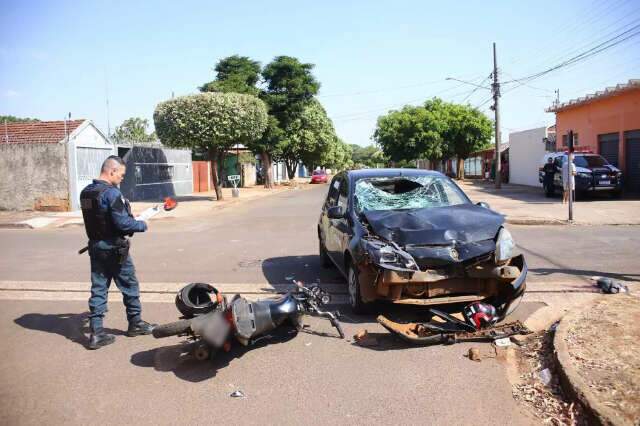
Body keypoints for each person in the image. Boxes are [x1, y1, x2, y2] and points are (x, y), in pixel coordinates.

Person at [80, 156, 155, 349]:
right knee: (129, 285)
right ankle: (135, 323)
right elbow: (121, 224)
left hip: (96, 246)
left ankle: (96, 333)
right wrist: (142, 224)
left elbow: (102, 218)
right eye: (121, 174)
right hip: (115, 248)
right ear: (111, 171)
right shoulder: (111, 194)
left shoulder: (86, 193)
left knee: (98, 288)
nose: (122, 178)